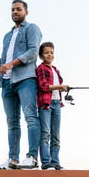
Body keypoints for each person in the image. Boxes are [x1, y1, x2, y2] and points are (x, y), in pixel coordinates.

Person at [0, 0, 42, 170]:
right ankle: (12, 159)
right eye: (13, 9)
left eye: (19, 9)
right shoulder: (7, 35)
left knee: (30, 116)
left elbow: (34, 52)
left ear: (26, 12)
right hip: (7, 82)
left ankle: (33, 157)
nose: (15, 12)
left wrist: (10, 64)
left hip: (26, 79)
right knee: (12, 122)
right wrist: (0, 61)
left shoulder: (32, 28)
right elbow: (6, 60)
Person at [36, 42, 68, 170]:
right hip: (46, 104)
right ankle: (46, 162)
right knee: (45, 133)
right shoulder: (41, 68)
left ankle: (55, 163)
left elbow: (57, 87)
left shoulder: (56, 70)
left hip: (57, 104)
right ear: (41, 56)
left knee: (56, 136)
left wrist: (62, 89)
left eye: (51, 52)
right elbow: (44, 86)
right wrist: (60, 87)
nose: (49, 55)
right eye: (46, 53)